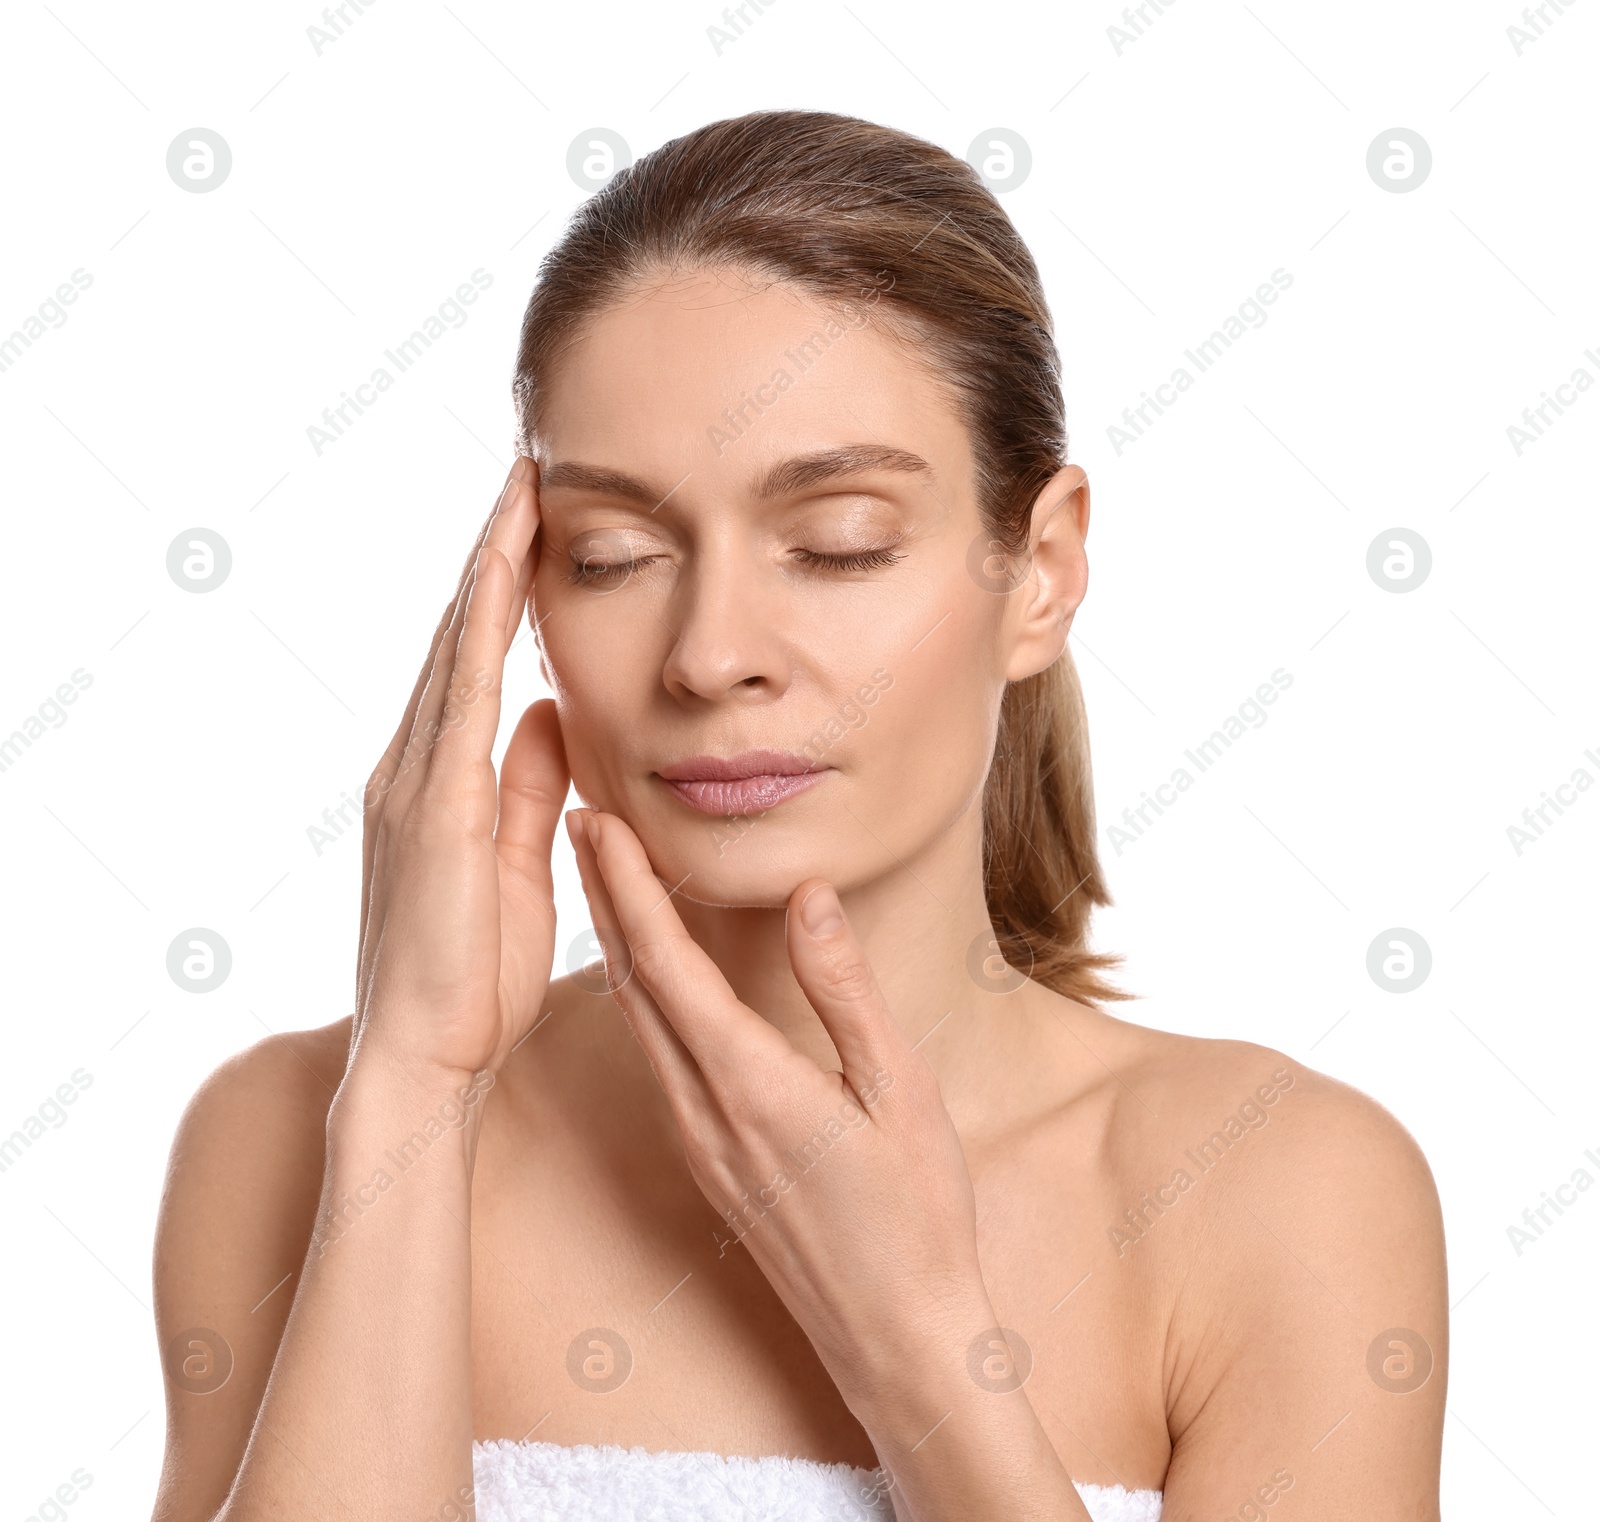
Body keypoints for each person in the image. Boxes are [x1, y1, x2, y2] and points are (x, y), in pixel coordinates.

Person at [149, 110, 1446, 1522]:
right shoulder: (287, 1134)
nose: (712, 653)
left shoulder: (1279, 1195)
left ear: (1044, 572)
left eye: (837, 544)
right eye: (614, 553)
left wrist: (918, 1345)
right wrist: (410, 1088)